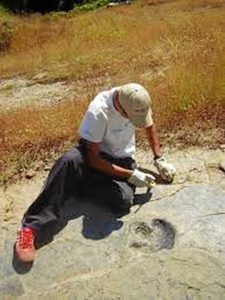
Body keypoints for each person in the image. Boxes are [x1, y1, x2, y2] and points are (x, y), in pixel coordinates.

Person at [15, 83, 176, 262]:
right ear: (120, 107)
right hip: (93, 154)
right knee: (68, 161)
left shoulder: (137, 98)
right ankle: (31, 228)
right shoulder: (99, 110)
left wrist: (158, 159)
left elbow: (149, 126)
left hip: (122, 159)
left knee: (123, 201)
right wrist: (130, 175)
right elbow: (93, 159)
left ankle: (74, 184)